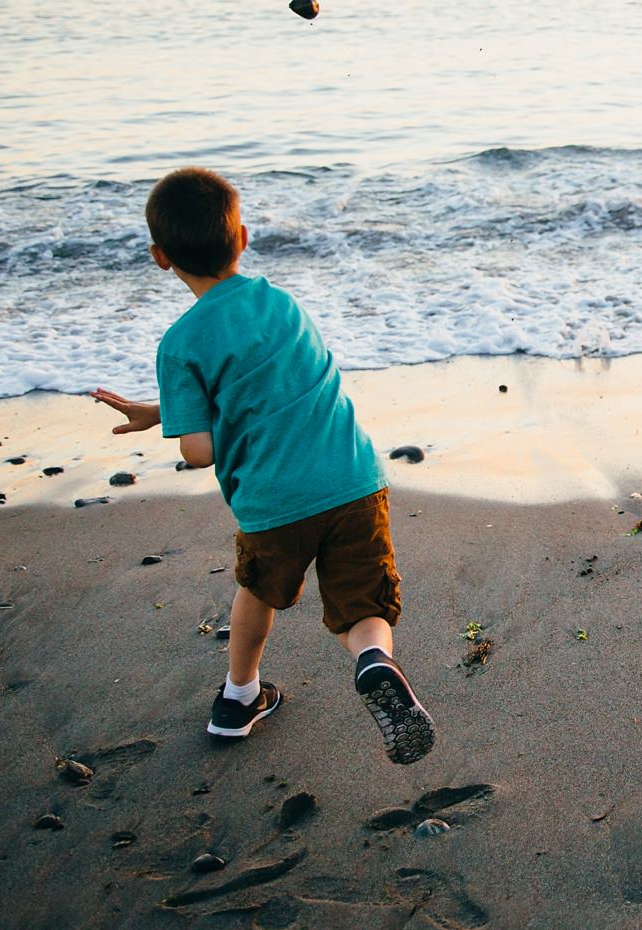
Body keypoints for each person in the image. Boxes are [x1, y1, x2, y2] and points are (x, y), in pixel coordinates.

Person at [92, 168, 436, 763]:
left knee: (258, 591)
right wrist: (163, 411)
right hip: (352, 479)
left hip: (274, 503)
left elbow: (199, 448)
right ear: (242, 238)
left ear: (159, 257)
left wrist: (178, 422)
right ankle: (373, 660)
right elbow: (269, 384)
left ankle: (240, 696)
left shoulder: (180, 343)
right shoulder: (281, 302)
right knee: (365, 605)